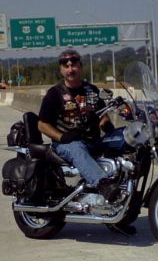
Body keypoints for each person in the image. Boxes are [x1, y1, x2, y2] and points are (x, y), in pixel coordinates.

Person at [38, 49, 119, 202]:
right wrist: (62, 136)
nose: (70, 69)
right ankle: (103, 184)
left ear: (80, 67)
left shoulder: (92, 91)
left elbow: (102, 116)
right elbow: (42, 125)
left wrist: (108, 127)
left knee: (121, 144)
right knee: (77, 147)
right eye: (66, 66)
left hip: (93, 140)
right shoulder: (54, 94)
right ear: (61, 69)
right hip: (67, 144)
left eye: (74, 65)